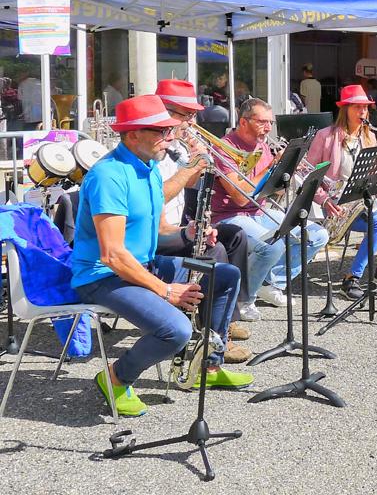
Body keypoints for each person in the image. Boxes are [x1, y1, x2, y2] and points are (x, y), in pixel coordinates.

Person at [71, 95, 252, 417]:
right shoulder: (108, 176)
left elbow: (154, 229)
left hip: (140, 265)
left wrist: (188, 233)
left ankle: (207, 367)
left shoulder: (149, 168)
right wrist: (166, 289)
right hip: (102, 277)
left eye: (169, 130)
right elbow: (113, 254)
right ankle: (115, 378)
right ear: (132, 134)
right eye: (160, 131)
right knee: (176, 329)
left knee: (226, 276)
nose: (169, 138)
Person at [154, 79, 254, 363]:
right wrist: (191, 167)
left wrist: (205, 159)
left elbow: (192, 181)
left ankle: (226, 319)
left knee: (234, 236)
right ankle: (211, 341)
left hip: (177, 224)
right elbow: (157, 197)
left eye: (191, 115)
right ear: (164, 110)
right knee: (215, 251)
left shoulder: (176, 146)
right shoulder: (155, 147)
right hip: (157, 234)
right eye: (184, 114)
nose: (190, 121)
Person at [210, 98, 328, 307]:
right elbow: (239, 196)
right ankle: (243, 299)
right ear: (244, 121)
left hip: (259, 211)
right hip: (230, 215)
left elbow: (274, 194)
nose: (268, 128)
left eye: (270, 122)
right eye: (262, 122)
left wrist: (287, 172)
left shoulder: (263, 145)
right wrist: (274, 166)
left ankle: (270, 282)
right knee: (271, 246)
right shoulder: (225, 148)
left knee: (317, 235)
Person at [305, 85, 377, 300]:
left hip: (362, 197)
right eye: (357, 107)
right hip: (338, 201)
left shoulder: (369, 137)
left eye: (365, 108)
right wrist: (324, 199)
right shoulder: (325, 136)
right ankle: (351, 278)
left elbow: (373, 174)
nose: (362, 112)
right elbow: (307, 174)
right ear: (345, 110)